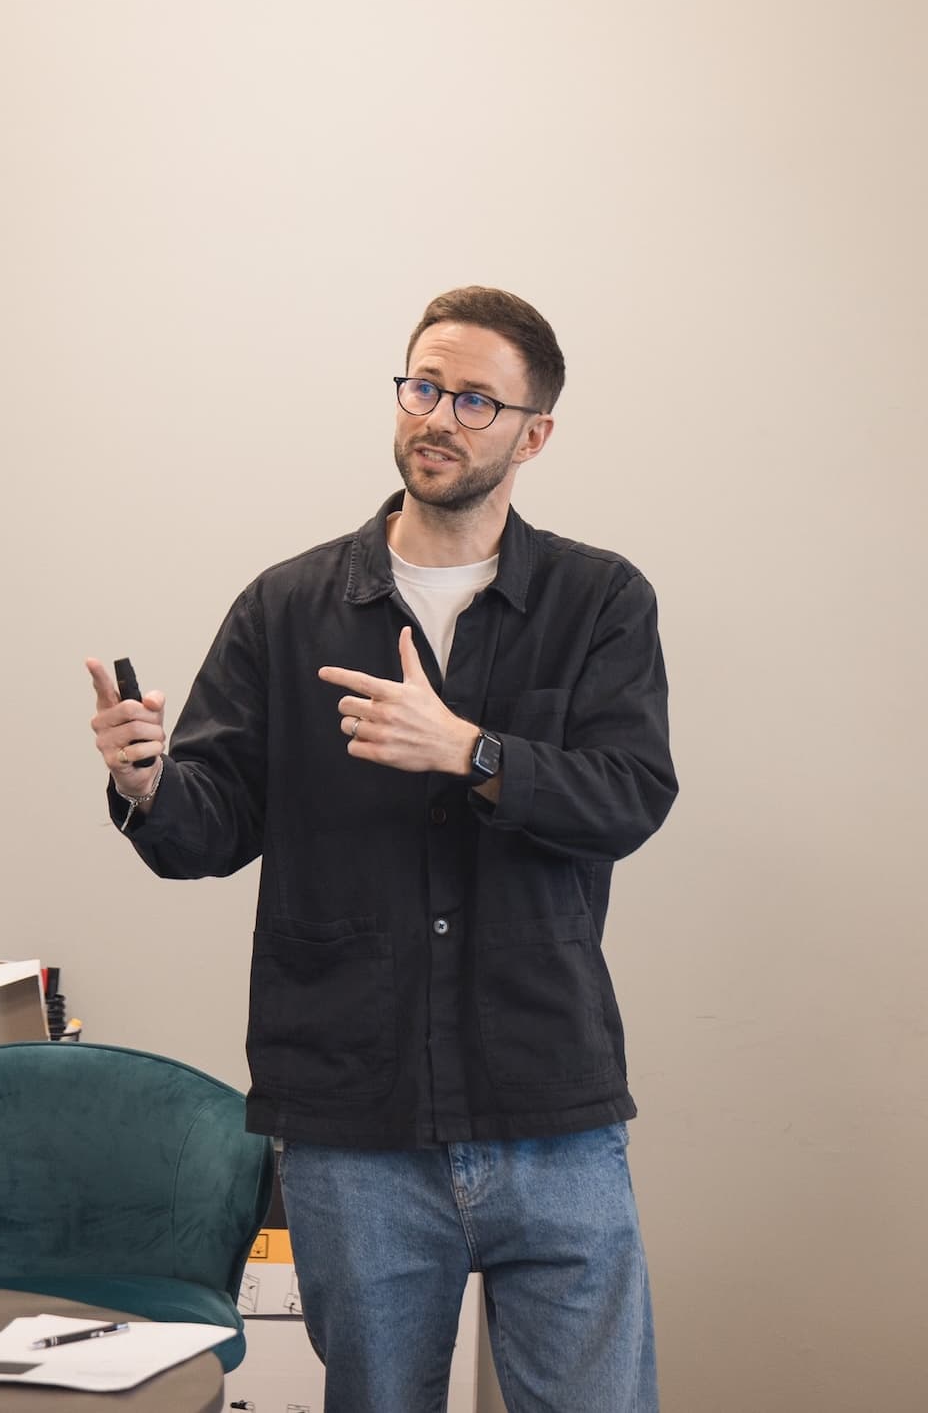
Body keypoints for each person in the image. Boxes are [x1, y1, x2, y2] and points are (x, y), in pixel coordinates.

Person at [87, 285, 678, 1412]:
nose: (438, 417)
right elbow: (211, 827)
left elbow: (630, 796)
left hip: (547, 1102)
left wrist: (471, 752)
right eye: (422, 386)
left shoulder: (598, 600)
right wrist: (147, 781)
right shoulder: (286, 606)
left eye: (474, 400)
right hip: (353, 1119)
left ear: (533, 435)